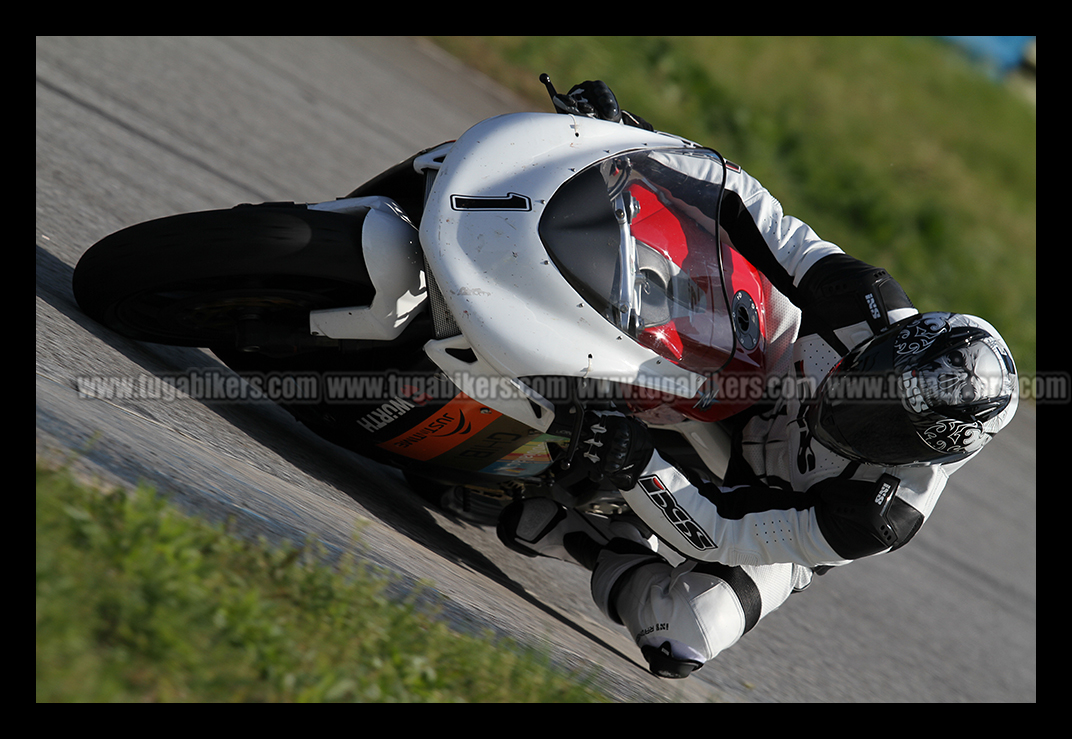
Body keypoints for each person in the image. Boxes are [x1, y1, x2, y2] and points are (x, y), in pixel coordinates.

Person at [497, 81, 1019, 679]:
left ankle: (577, 533)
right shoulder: (866, 300)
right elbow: (754, 213)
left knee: (683, 632)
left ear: (930, 453)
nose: (859, 405)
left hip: (772, 498)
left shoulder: (879, 514)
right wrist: (630, 139)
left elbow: (719, 531)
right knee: (711, 259)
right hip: (766, 368)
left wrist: (638, 465)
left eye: (888, 428)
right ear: (891, 340)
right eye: (875, 379)